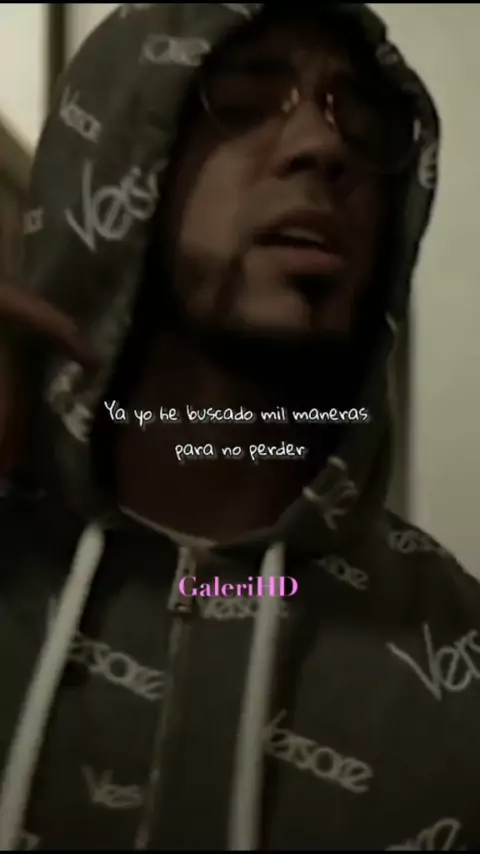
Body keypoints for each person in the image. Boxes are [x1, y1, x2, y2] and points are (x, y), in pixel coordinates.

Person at [0, 2, 478, 850]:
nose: (324, 148)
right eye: (245, 105)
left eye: (361, 126)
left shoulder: (455, 661)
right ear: (117, 166)